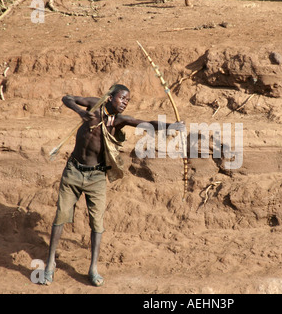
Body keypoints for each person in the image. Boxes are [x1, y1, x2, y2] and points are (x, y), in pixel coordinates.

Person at [40, 84, 182, 287]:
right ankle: (50, 264)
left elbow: (146, 123)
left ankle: (93, 269)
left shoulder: (119, 121)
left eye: (127, 100)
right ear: (110, 97)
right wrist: (81, 112)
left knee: (97, 224)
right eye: (122, 98)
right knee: (60, 217)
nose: (125, 103)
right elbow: (67, 97)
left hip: (97, 176)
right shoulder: (94, 106)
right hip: (73, 171)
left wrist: (171, 127)